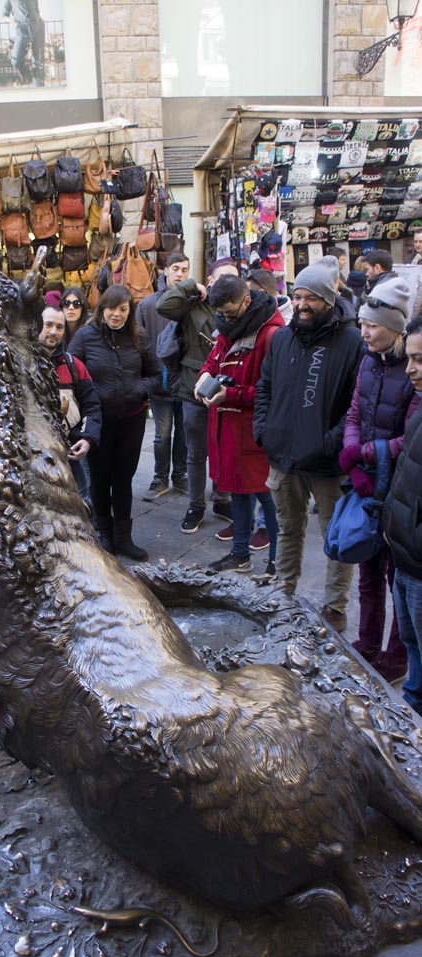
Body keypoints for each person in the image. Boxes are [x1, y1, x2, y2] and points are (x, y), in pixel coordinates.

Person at [254, 255, 364, 632]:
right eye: (297, 296)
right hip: (283, 456)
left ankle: (335, 606)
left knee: (336, 537)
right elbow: (265, 388)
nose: (301, 304)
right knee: (288, 529)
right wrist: (263, 430)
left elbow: (356, 403)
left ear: (328, 300)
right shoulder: (282, 338)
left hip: (326, 462)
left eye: (310, 298)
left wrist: (330, 443)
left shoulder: (352, 342)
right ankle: (283, 591)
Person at [340, 277, 416, 681]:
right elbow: (355, 412)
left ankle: (397, 654)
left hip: (401, 487)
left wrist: (364, 453)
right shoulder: (368, 360)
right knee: (367, 571)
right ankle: (367, 642)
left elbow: (412, 436)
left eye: (372, 324)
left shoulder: (413, 367)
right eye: (362, 323)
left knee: (396, 578)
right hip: (367, 481)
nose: (364, 331)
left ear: (396, 326)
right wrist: (353, 459)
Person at [196, 275, 283, 577]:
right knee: (237, 490)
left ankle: (277, 562)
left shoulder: (272, 335)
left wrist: (230, 393)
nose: (225, 318)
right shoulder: (228, 326)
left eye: (230, 312)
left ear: (247, 300)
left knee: (265, 495)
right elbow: (213, 360)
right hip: (228, 428)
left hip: (254, 431)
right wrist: (204, 380)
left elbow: (273, 391)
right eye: (221, 314)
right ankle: (240, 555)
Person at [70, 285, 161, 560]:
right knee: (99, 478)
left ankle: (123, 537)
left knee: (123, 478)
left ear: (129, 311)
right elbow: (72, 373)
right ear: (102, 308)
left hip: (131, 420)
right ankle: (104, 533)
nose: (116, 314)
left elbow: (156, 374)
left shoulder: (139, 337)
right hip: (99, 422)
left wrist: (139, 389)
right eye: (112, 308)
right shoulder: (86, 337)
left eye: (123, 309)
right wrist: (91, 398)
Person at [156, 260, 237, 533]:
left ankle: (223, 498)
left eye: (234, 279)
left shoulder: (240, 308)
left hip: (228, 388)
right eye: (222, 278)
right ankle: (196, 504)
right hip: (195, 387)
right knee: (196, 451)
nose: (228, 284)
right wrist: (192, 285)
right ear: (211, 280)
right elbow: (163, 306)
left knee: (224, 448)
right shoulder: (194, 304)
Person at [382, 316, 422, 716]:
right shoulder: (419, 407)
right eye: (410, 358)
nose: (410, 369)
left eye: (420, 360)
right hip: (405, 557)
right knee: (412, 647)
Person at [137, 253, 190, 500]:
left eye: (185, 270)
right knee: (162, 434)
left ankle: (180, 475)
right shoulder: (148, 306)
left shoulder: (191, 303)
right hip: (161, 382)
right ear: (166, 270)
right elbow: (140, 345)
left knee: (184, 433)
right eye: (176, 268)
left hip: (187, 381)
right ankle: (160, 478)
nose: (180, 274)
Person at [37, 306, 102, 510]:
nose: (53, 332)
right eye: (48, 325)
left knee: (83, 508)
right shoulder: (20, 366)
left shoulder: (75, 366)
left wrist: (87, 438)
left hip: (70, 455)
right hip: (35, 459)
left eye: (59, 327)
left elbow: (92, 406)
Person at [3, 0, 45, 87]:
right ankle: (27, 76)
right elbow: (4, 16)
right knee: (15, 60)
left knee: (37, 61)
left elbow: (37, 11)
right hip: (22, 29)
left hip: (37, 27)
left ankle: (39, 89)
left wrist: (41, 20)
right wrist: (13, 21)